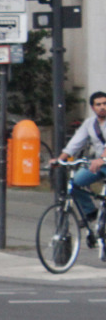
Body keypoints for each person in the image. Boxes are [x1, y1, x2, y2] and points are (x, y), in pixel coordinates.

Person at [53, 91, 106, 238]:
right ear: (93, 107)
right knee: (74, 183)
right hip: (98, 164)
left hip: (101, 161)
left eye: (105, 103)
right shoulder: (90, 123)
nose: (102, 107)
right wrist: (60, 159)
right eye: (98, 104)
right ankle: (90, 211)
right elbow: (75, 143)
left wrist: (102, 158)